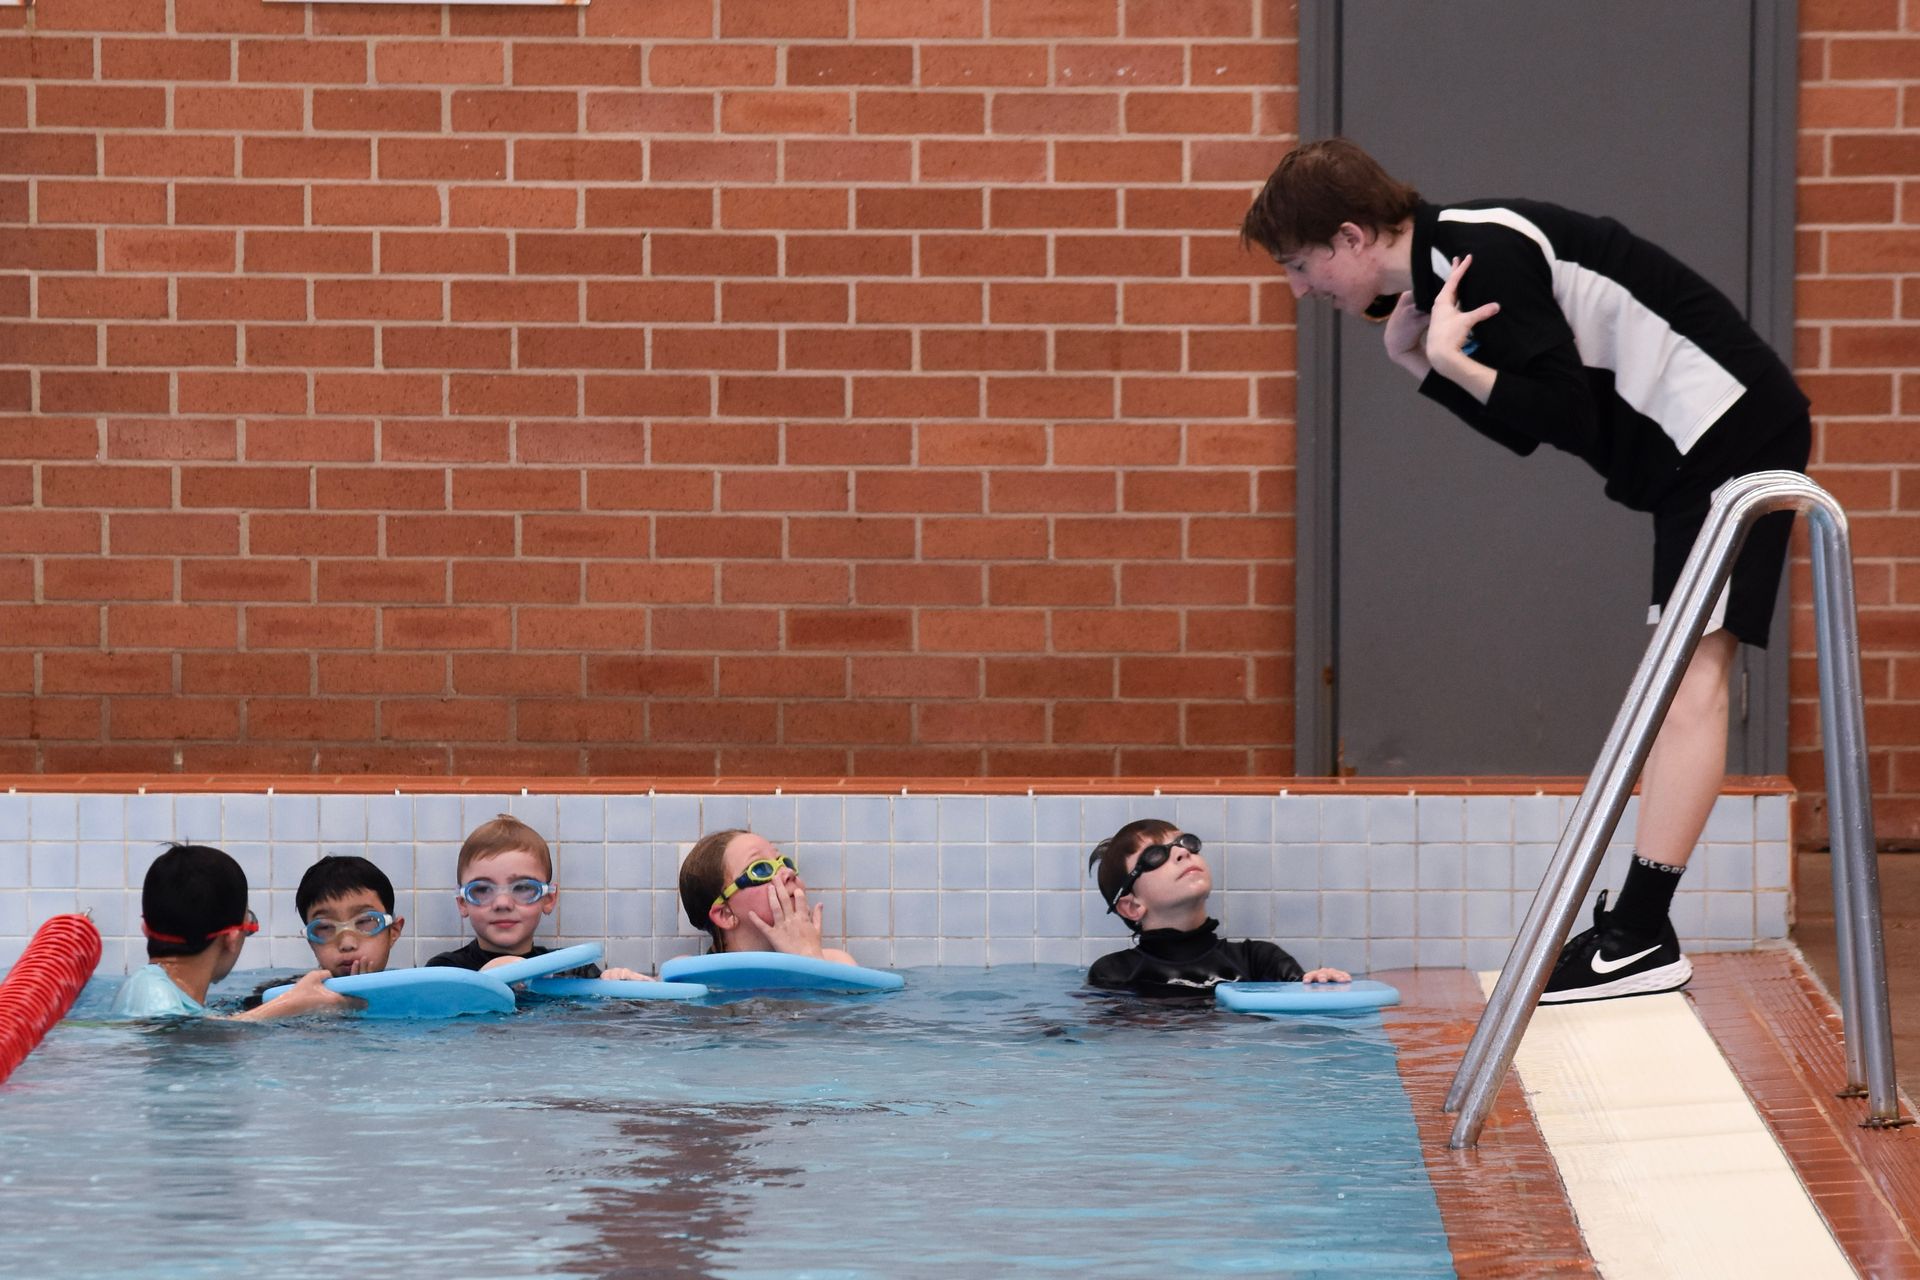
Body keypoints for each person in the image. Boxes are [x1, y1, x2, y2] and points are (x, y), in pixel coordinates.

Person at [1242, 138, 1812, 1002]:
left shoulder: (1482, 252)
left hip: (1729, 435)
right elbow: (1526, 425)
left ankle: (1640, 934)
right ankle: (1636, 928)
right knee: (1675, 679)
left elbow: (1563, 409)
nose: (1299, 287)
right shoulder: (1444, 270)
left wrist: (1452, 360)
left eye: (1299, 263)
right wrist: (1421, 362)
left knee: (1691, 678)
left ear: (1352, 238)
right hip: (1697, 451)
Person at [1086, 818, 1349, 996]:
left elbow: (1304, 1014)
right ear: (1132, 906)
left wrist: (1320, 985)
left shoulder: (1259, 961)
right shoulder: (1114, 974)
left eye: (1185, 842)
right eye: (1154, 856)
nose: (1182, 853)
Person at [111, 842, 351, 1020]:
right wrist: (292, 1004)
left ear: (145, 928)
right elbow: (180, 1040)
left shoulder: (158, 991)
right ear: (231, 938)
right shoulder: (155, 996)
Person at [427, 814, 649, 981]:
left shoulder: (572, 970)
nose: (502, 903)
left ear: (549, 899)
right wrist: (484, 981)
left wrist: (621, 991)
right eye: (482, 890)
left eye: (523, 887)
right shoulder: (445, 971)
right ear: (463, 903)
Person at [678, 829, 856, 965]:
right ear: (726, 914)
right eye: (761, 869)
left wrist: (809, 958)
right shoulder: (690, 972)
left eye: (784, 862)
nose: (788, 872)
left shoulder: (837, 963)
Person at [294, 854, 406, 978]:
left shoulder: (416, 991)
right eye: (325, 927)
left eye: (364, 921)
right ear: (311, 943)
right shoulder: (292, 994)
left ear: (393, 931)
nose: (347, 944)